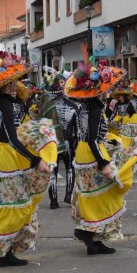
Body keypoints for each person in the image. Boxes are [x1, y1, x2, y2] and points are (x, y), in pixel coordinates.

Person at [0, 52, 54, 269]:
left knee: (0, 202)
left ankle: (4, 254)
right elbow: (13, 140)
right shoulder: (4, 104)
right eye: (12, 83)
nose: (15, 86)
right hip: (6, 158)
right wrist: (35, 160)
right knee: (19, 206)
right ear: (3, 85)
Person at [65, 61, 137, 255]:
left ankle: (93, 236)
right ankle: (86, 231)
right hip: (91, 153)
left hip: (84, 152)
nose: (110, 90)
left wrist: (109, 142)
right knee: (104, 193)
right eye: (107, 87)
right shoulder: (94, 109)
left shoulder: (85, 107)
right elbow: (92, 139)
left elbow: (87, 135)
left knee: (93, 194)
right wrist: (104, 163)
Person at [38, 69, 79, 209]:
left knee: (52, 171)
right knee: (70, 168)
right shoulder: (74, 106)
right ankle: (68, 196)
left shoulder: (46, 106)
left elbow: (41, 126)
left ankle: (53, 200)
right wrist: (76, 144)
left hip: (52, 143)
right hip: (68, 142)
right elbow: (77, 130)